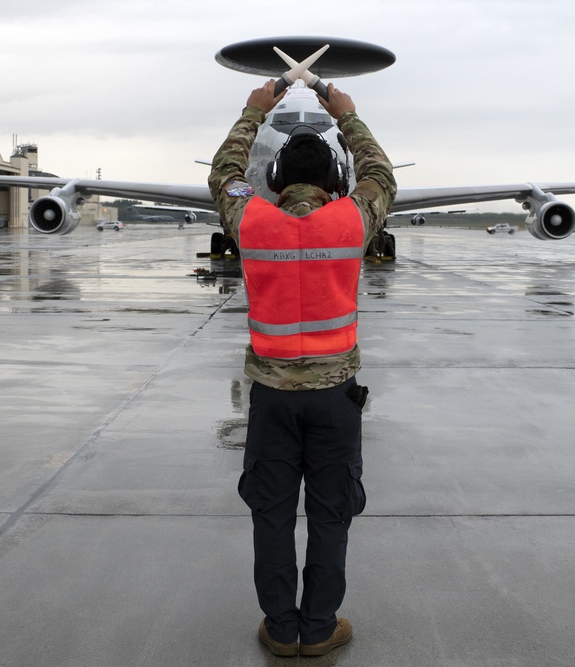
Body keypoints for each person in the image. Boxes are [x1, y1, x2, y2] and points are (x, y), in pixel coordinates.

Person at [208, 80, 396, 657]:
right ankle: (318, 628)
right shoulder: (350, 222)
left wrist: (252, 112)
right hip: (334, 398)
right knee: (331, 512)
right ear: (336, 182)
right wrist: (348, 116)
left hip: (270, 398)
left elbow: (222, 173)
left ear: (274, 180)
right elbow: (380, 177)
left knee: (271, 513)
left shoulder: (253, 221)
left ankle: (279, 626)